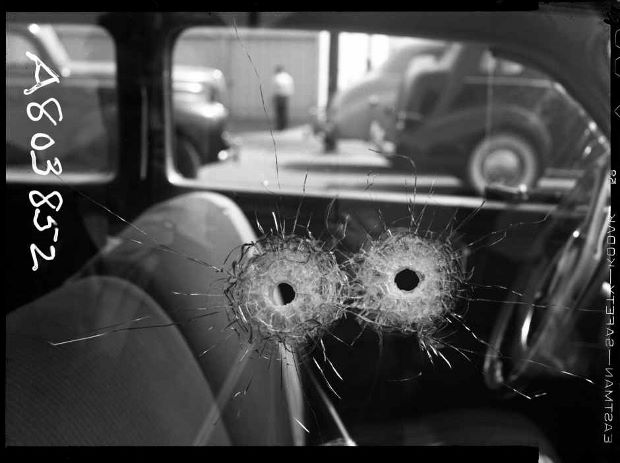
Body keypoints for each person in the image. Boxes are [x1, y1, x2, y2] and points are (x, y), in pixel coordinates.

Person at [272, 65, 294, 131]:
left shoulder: (277, 77)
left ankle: (280, 126)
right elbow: (291, 87)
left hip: (279, 95)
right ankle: (284, 126)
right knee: (284, 111)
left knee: (279, 112)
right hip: (286, 96)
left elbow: (275, 87)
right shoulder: (288, 77)